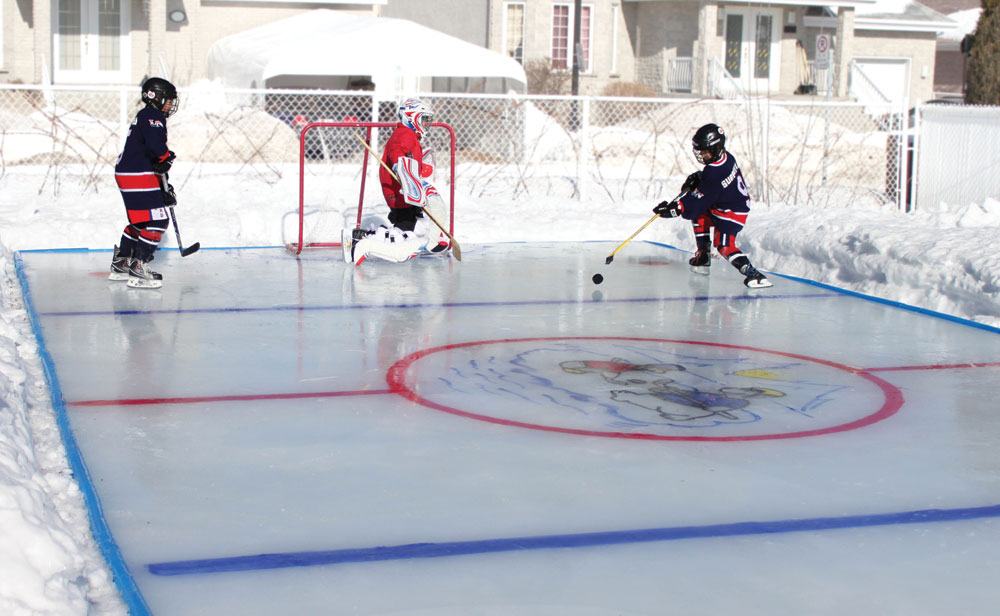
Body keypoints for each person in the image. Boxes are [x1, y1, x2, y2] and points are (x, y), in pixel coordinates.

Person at [653, 123, 772, 289]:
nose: (702, 154)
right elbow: (709, 190)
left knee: (724, 245)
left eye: (705, 151)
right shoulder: (726, 158)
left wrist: (675, 208)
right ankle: (703, 255)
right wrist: (699, 178)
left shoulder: (714, 172)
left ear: (716, 148)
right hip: (725, 204)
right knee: (700, 215)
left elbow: (696, 203)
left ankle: (755, 275)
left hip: (731, 212)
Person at [342, 97, 449, 265]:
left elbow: (411, 162)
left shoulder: (411, 137)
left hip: (402, 188)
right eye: (424, 119)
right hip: (398, 190)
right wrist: (400, 166)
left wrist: (422, 168)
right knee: (403, 228)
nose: (427, 123)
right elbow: (396, 151)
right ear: (411, 117)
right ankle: (361, 241)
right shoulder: (404, 134)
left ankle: (360, 237)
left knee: (404, 226)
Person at [109, 77, 179, 289]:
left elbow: (149, 153)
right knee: (158, 221)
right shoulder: (153, 116)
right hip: (137, 174)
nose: (170, 104)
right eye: (168, 100)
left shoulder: (145, 115)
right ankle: (139, 267)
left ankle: (122, 262)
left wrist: (160, 182)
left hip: (130, 172)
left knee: (140, 221)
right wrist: (165, 156)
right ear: (155, 97)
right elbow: (156, 147)